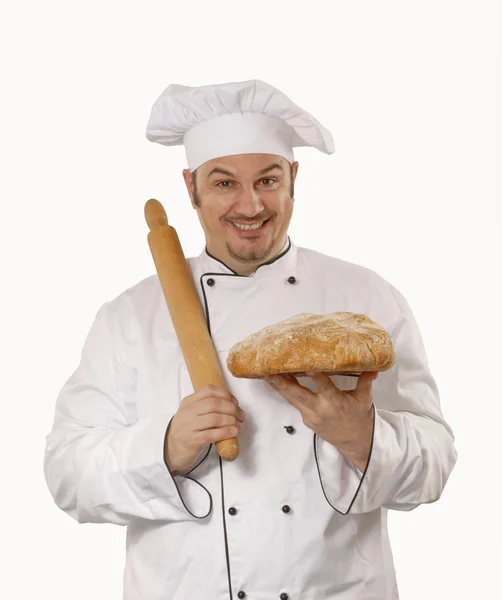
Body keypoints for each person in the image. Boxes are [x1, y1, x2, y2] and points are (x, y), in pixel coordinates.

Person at [44, 79, 457, 599]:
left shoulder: (366, 299)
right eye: (223, 184)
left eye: (268, 180)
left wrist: (363, 437)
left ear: (293, 179)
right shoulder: (131, 317)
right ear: (190, 187)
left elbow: (436, 463)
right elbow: (66, 474)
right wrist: (165, 447)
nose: (250, 205)